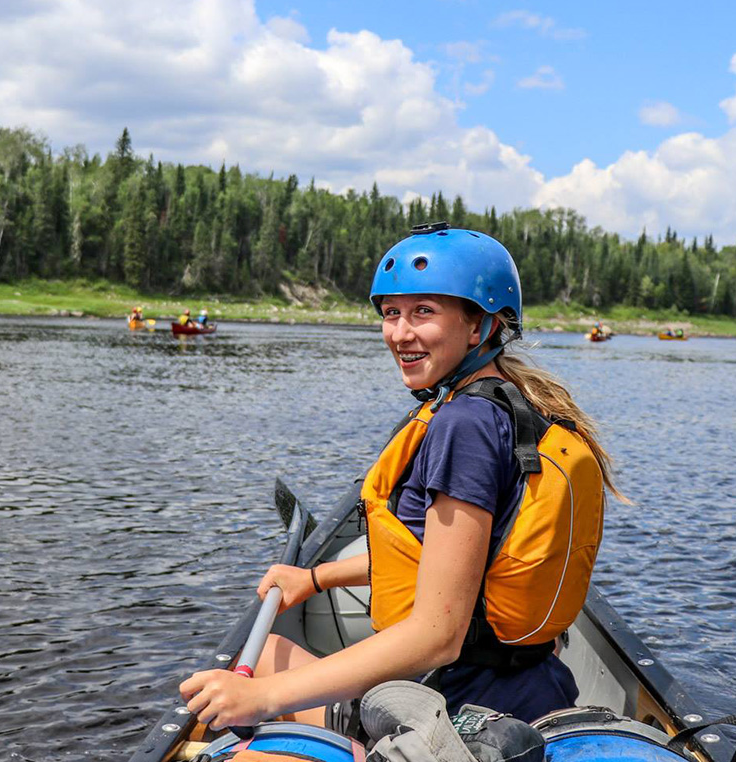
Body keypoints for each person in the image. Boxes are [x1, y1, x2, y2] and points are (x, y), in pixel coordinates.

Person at [180, 223, 625, 734]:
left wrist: (263, 697)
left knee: (257, 659)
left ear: (478, 326)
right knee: (265, 655)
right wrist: (315, 577)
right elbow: (439, 557)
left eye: (424, 312)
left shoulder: (466, 425)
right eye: (392, 313)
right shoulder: (507, 405)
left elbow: (438, 635)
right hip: (533, 686)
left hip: (453, 714)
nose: (400, 333)